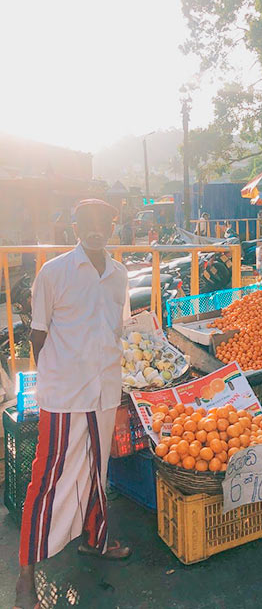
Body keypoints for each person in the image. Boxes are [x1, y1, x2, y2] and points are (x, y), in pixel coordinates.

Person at [15, 199, 131, 609]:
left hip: (104, 388)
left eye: (104, 222)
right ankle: (26, 573)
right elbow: (39, 335)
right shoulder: (55, 272)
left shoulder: (119, 275)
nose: (97, 229)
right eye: (88, 222)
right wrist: (46, 384)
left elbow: (117, 330)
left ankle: (94, 539)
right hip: (65, 392)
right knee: (47, 477)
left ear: (113, 227)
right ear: (75, 227)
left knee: (97, 469)